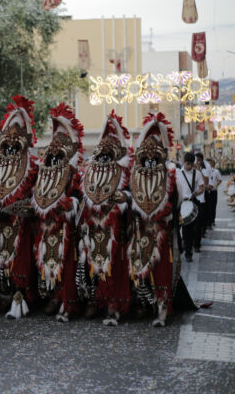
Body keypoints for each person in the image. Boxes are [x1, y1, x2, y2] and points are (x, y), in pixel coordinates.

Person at [77, 112, 132, 326]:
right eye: (102, 155)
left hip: (115, 227)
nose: (104, 159)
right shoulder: (89, 172)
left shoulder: (125, 171)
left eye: (109, 155)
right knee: (91, 265)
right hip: (92, 227)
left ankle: (114, 304)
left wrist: (125, 197)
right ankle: (95, 300)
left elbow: (132, 194)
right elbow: (83, 194)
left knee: (114, 266)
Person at [32, 103, 83, 323]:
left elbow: (80, 196)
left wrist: (69, 203)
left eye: (58, 149)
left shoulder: (73, 171)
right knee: (47, 261)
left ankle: (67, 301)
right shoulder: (43, 170)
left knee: (66, 263)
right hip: (45, 224)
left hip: (64, 225)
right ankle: (54, 297)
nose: (54, 152)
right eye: (52, 149)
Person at [0, 96, 38, 319]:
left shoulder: (33, 166)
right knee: (1, 257)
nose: (10, 146)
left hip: (21, 222)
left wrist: (19, 209)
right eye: (7, 143)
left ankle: (21, 295)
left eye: (15, 142)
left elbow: (36, 196)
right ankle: (6, 294)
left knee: (19, 260)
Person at [128, 113, 178, 327]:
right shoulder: (134, 175)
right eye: (145, 156)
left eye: (154, 156)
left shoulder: (170, 174)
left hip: (161, 231)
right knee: (138, 266)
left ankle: (162, 307)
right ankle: (143, 304)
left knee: (162, 271)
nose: (149, 159)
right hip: (140, 231)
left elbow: (174, 206)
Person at [176, 152, 205, 262]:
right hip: (179, 204)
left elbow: (202, 188)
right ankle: (180, 247)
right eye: (187, 164)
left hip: (190, 203)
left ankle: (188, 253)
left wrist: (195, 194)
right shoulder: (177, 173)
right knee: (177, 229)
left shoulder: (196, 174)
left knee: (188, 231)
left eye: (191, 164)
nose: (189, 166)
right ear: (184, 162)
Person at [193, 152, 210, 250]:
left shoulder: (204, 170)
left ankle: (197, 245)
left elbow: (206, 182)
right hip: (191, 199)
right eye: (195, 160)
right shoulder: (189, 170)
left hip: (201, 200)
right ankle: (190, 243)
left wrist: (199, 170)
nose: (196, 162)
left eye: (198, 160)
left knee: (198, 224)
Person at [207, 158, 221, 228]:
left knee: (213, 206)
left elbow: (219, 180)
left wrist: (215, 186)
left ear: (213, 164)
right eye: (208, 163)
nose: (209, 165)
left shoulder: (216, 171)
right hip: (207, 191)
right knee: (207, 207)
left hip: (213, 191)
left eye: (210, 163)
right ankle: (208, 222)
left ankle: (212, 220)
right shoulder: (204, 171)